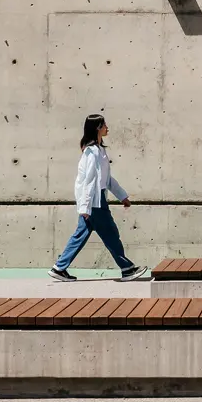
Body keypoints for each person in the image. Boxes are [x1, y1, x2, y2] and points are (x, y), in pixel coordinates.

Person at [49, 114, 148, 282]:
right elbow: (88, 181)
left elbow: (107, 179)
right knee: (110, 233)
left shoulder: (100, 151)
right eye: (104, 125)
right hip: (94, 201)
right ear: (97, 128)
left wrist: (122, 196)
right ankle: (127, 269)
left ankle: (59, 267)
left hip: (97, 199)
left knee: (82, 235)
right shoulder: (91, 152)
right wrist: (85, 208)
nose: (107, 127)